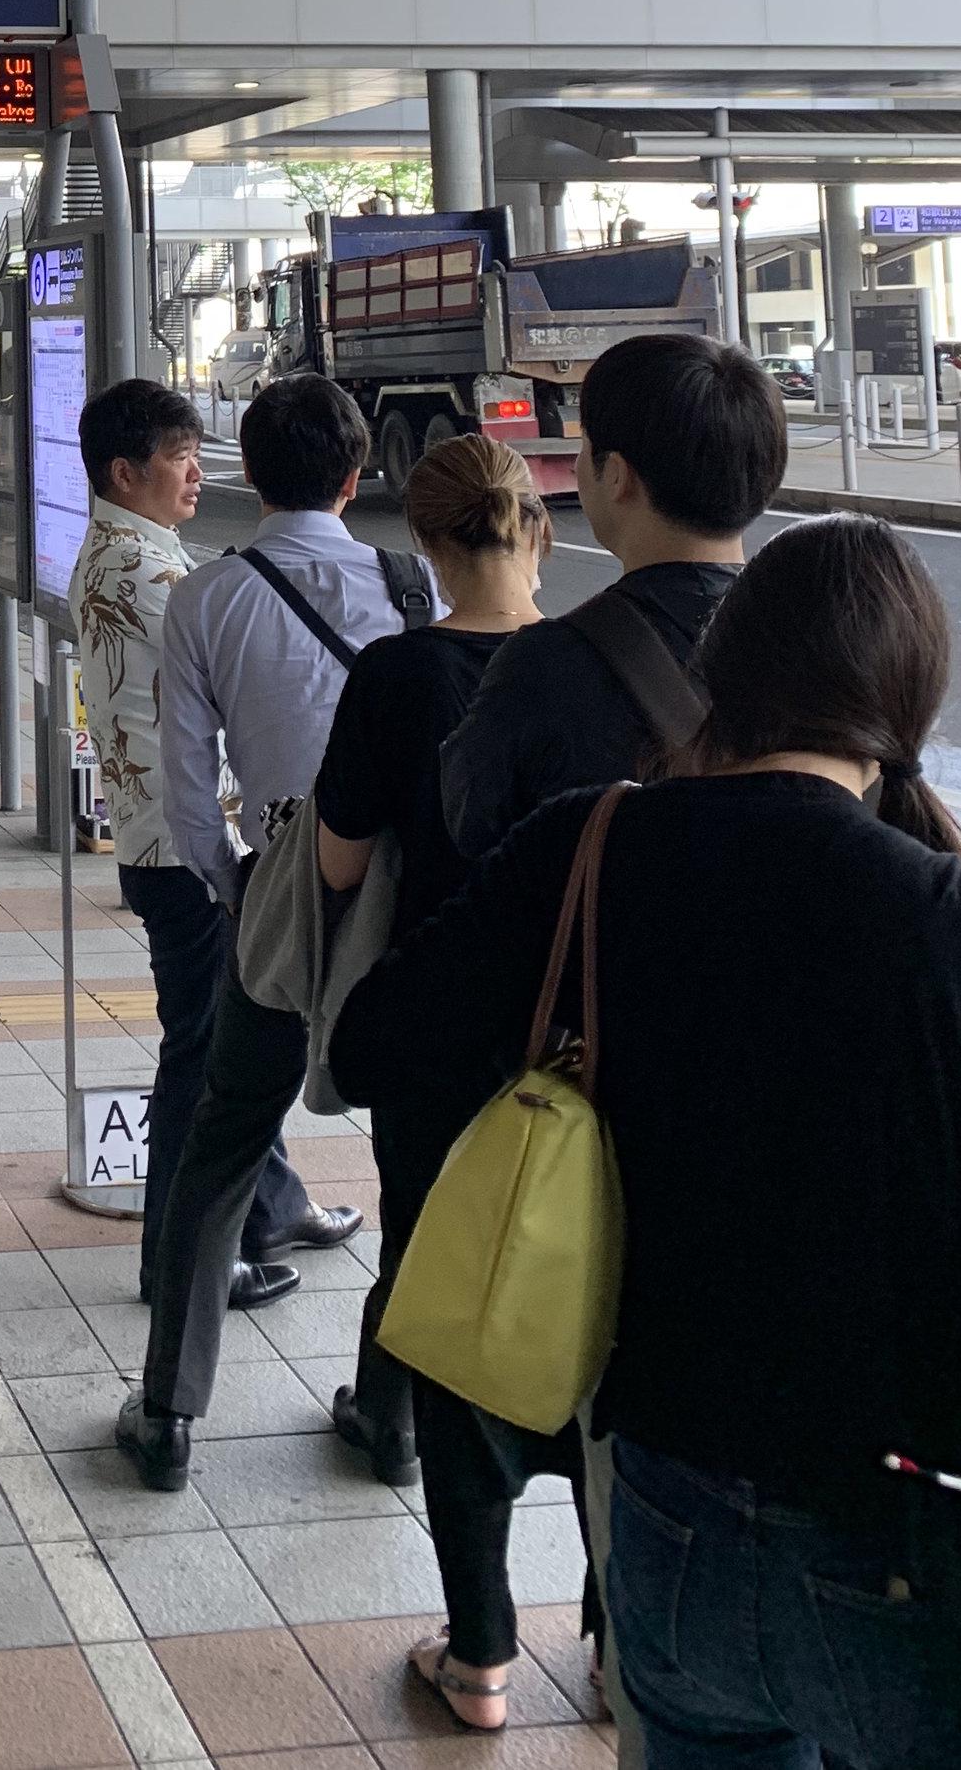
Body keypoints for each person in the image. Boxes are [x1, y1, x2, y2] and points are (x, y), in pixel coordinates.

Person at [336, 515, 961, 1769]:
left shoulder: (589, 846)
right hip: (901, 1542)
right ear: (908, 701)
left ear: (722, 673)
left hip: (665, 1520)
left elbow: (370, 1047)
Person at [115, 373, 432, 1491]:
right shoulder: (409, 583)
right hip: (401, 900)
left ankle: (169, 1415)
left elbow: (186, 786)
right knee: (412, 1152)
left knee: (223, 1141)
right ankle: (391, 1415)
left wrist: (236, 889)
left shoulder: (207, 598)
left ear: (249, 472)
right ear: (356, 474)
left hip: (280, 889)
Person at [312, 434, 569, 1716]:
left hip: (441, 1030)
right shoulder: (590, 666)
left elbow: (340, 864)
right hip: (585, 1044)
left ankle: (479, 1656)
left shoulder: (399, 673)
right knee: (598, 1293)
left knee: (443, 1287)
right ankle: (618, 1644)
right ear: (537, 530)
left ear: (422, 541)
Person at [442, 332, 786, 858]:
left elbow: (473, 826)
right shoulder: (823, 645)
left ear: (619, 475)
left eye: (585, 447)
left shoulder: (545, 665)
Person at [68, 375, 229, 1304]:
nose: (196, 473)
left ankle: (272, 1202)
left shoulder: (123, 548)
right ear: (125, 472)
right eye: (179, 458)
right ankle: (175, 1260)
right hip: (186, 844)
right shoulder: (147, 571)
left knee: (222, 1037)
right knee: (200, 1054)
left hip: (159, 837)